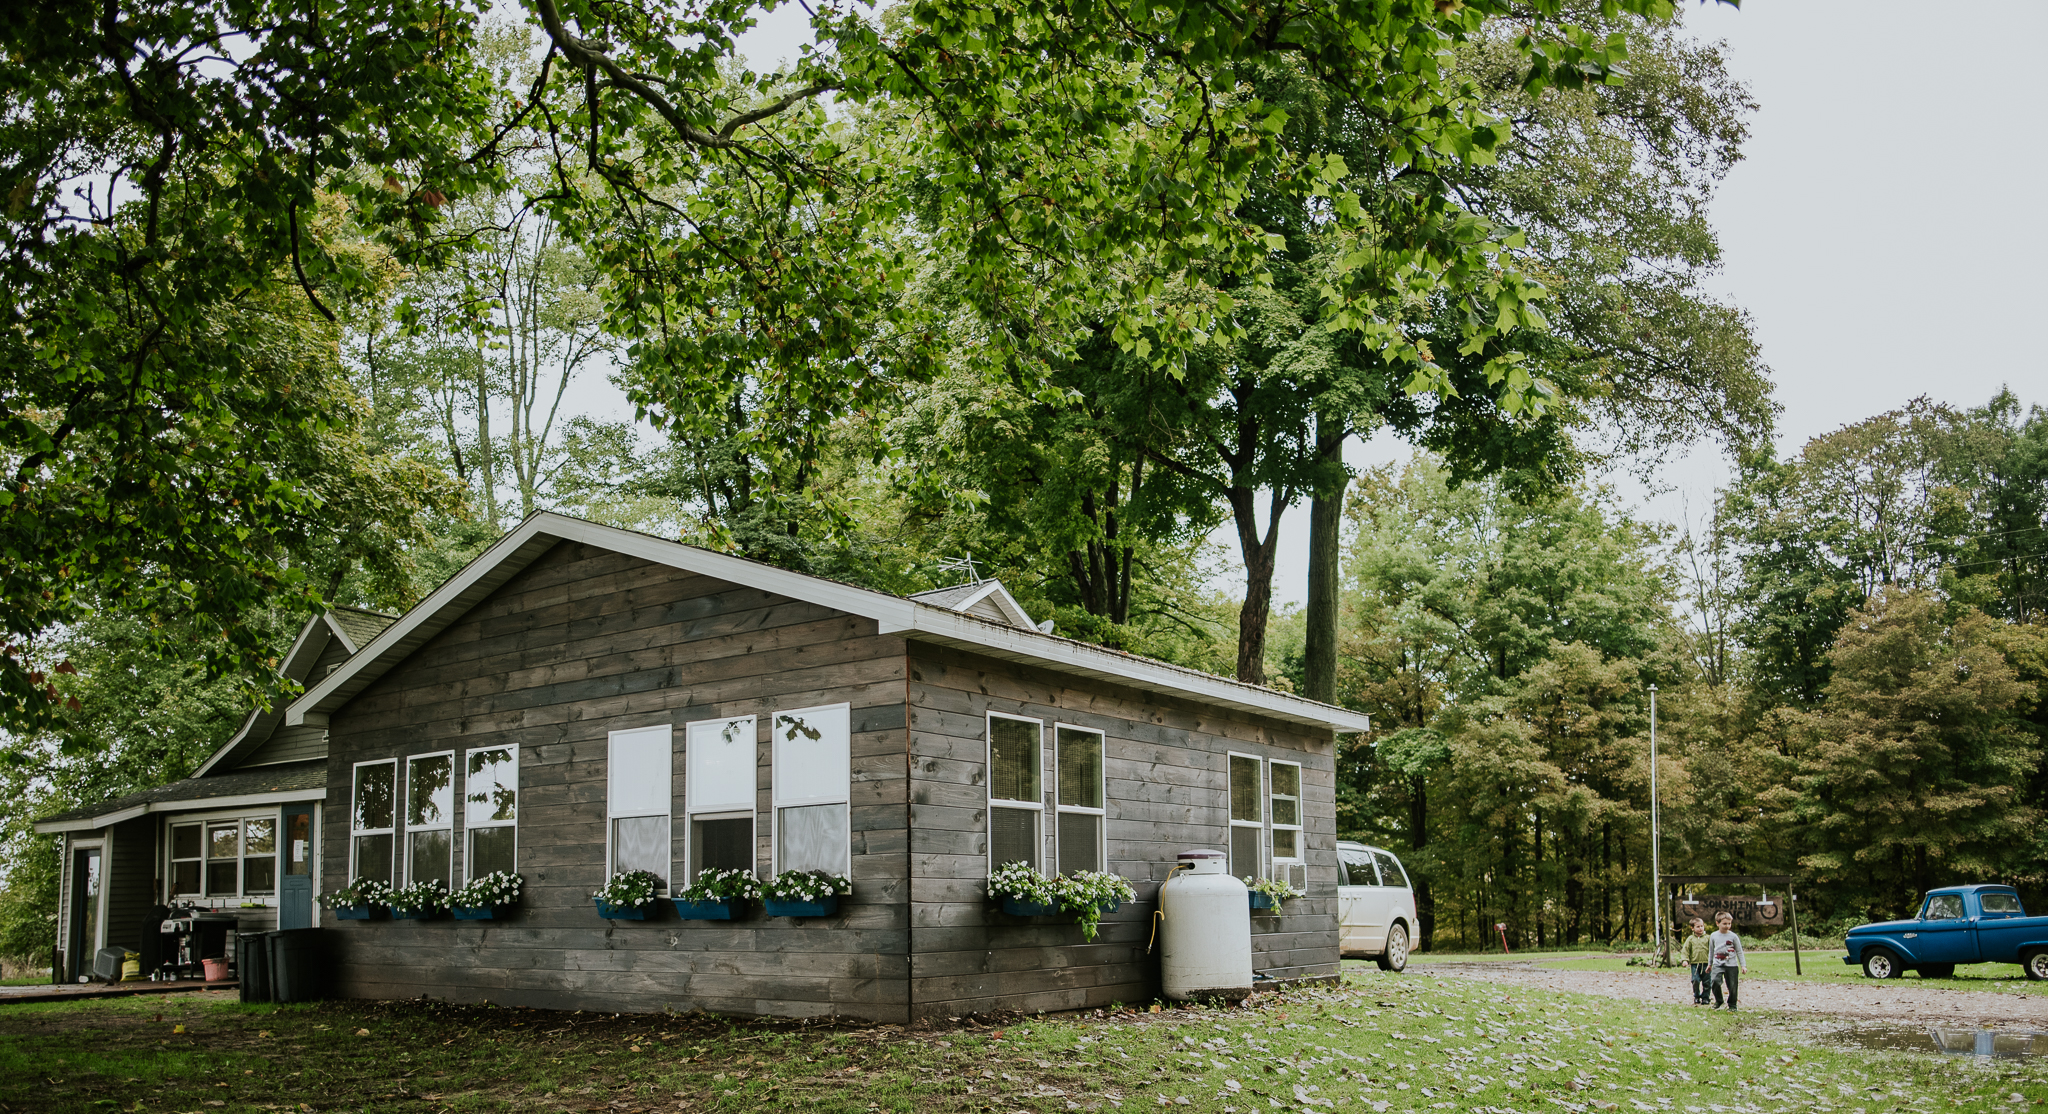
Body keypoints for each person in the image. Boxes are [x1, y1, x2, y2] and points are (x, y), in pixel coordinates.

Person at [1708, 911, 1748, 1010]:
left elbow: (1739, 951)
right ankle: (1719, 1000)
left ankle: (1732, 1005)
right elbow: (1711, 951)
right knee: (1715, 981)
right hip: (1718, 964)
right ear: (1717, 923)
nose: (1727, 926)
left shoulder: (1733, 937)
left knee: (1733, 986)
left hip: (1731, 965)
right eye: (1724, 923)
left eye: (1729, 923)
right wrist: (1710, 964)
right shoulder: (1713, 936)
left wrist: (1743, 965)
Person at [1681, 917, 1713, 1005]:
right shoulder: (1690, 939)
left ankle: (1706, 997)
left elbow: (1713, 949)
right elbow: (1685, 950)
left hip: (1706, 964)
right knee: (1695, 980)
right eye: (1698, 926)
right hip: (1695, 964)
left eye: (1702, 926)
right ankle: (1696, 996)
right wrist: (1685, 960)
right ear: (1692, 928)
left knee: (1707, 982)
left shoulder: (1708, 938)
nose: (1700, 928)